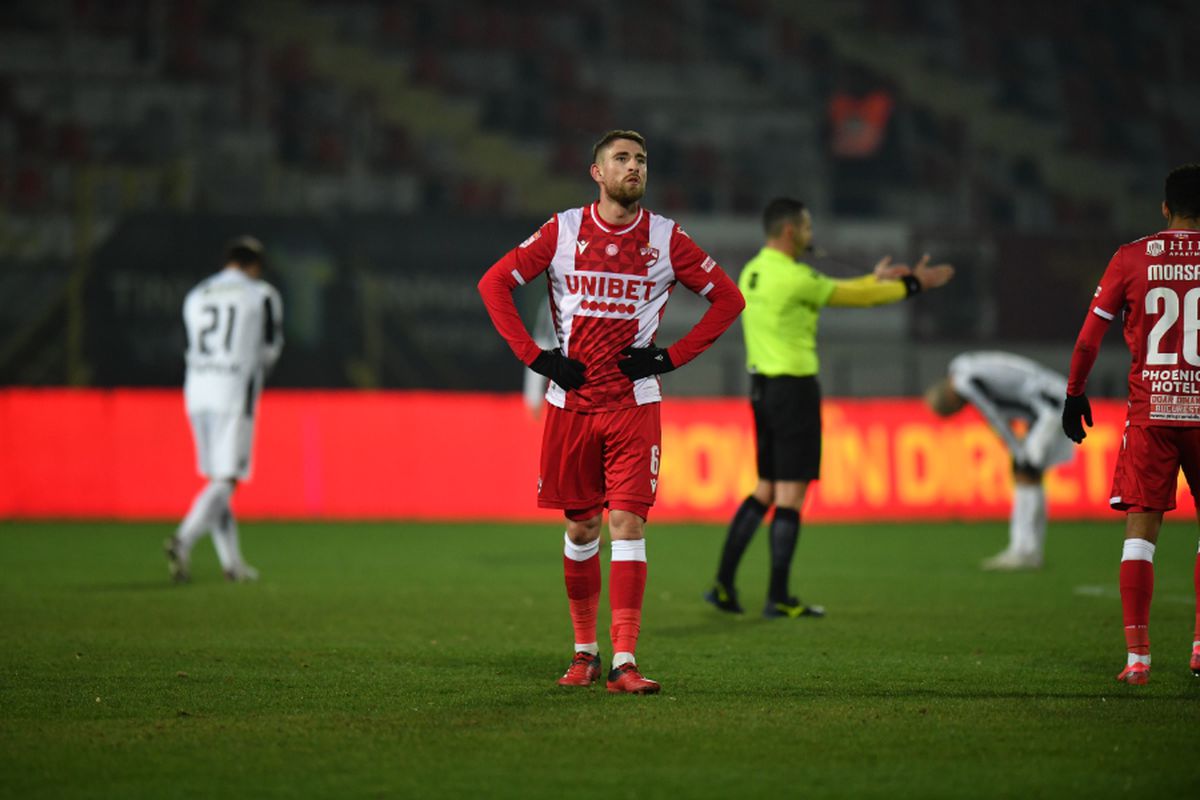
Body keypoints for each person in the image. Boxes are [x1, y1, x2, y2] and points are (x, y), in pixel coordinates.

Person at [478, 129, 744, 694]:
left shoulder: (667, 239)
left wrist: (670, 358)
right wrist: (537, 358)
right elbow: (494, 282)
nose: (634, 167)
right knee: (583, 525)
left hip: (633, 405)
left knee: (628, 522)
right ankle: (584, 652)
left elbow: (729, 299)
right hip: (570, 404)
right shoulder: (563, 229)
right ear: (596, 172)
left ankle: (625, 661)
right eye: (621, 159)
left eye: (641, 160)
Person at [706, 197, 953, 618]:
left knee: (765, 489)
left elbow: (837, 289)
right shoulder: (795, 277)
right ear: (789, 231)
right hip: (794, 390)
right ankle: (778, 597)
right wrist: (913, 285)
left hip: (761, 389)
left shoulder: (753, 271)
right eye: (805, 227)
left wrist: (872, 278)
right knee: (791, 494)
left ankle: (724, 586)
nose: (810, 235)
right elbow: (854, 299)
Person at [1062, 163, 1200, 685]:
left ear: (1165, 208)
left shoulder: (1131, 257)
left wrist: (1075, 394)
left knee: (1140, 537)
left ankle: (1138, 659)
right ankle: (1199, 648)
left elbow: (1087, 339)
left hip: (1152, 414)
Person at [165, 236, 284, 583]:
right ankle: (183, 540)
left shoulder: (197, 294)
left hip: (197, 391)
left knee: (217, 480)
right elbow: (269, 351)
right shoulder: (261, 294)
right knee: (227, 480)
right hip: (234, 391)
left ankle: (232, 564)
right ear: (255, 265)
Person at [925, 351, 1074, 570]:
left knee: (1026, 470)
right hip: (1048, 401)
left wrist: (1016, 448)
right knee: (1028, 474)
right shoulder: (966, 368)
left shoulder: (965, 382)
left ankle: (1025, 550)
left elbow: (993, 415)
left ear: (949, 398)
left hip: (1050, 405)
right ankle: (1027, 549)